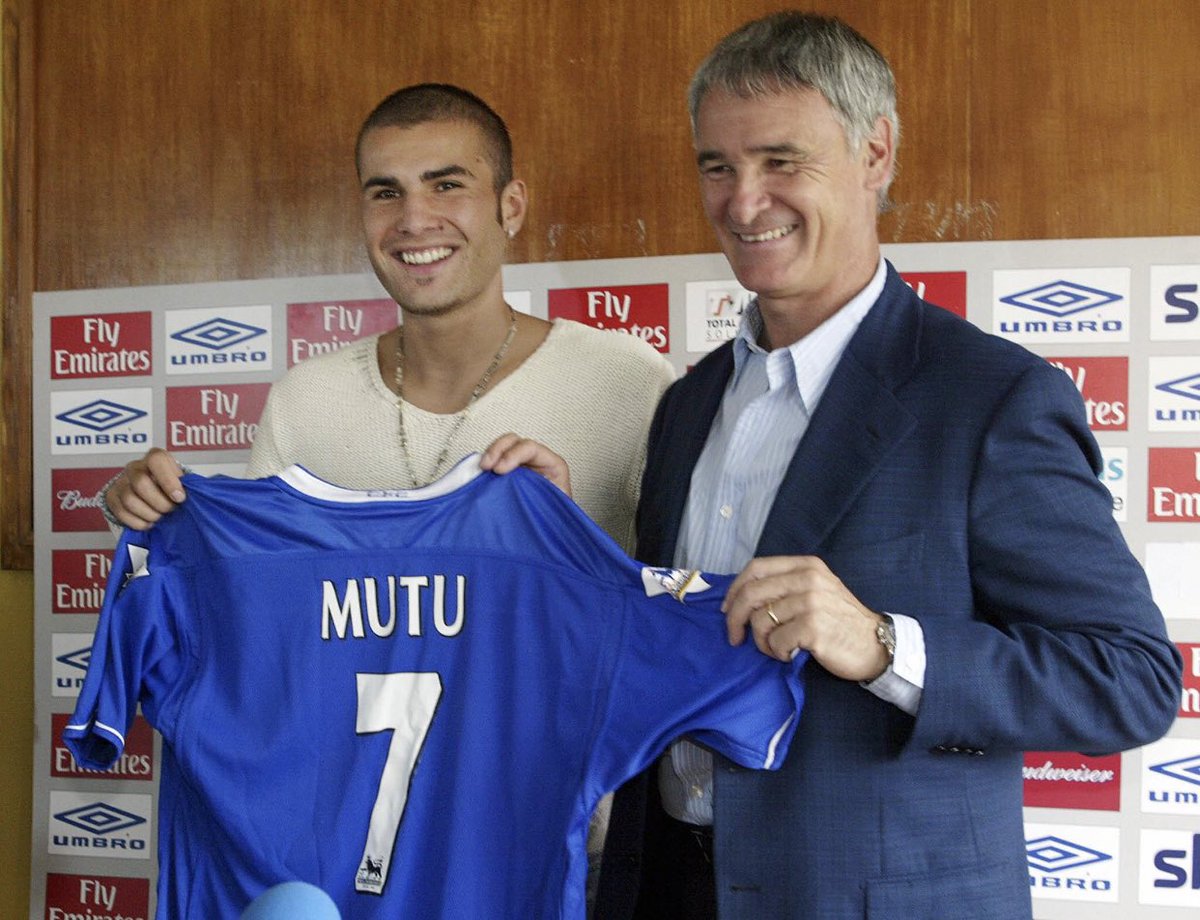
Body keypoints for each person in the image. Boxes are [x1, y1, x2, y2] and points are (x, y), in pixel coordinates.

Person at [595, 12, 1182, 920]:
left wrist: (882, 645)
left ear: (876, 153)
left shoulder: (991, 397)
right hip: (669, 888)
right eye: (718, 166)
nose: (743, 203)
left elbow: (1130, 681)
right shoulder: (687, 403)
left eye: (781, 161)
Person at [103, 82, 677, 905]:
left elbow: (673, 616)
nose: (414, 219)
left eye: (447, 184)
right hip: (346, 864)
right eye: (386, 192)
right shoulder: (305, 400)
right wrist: (150, 520)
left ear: (511, 206)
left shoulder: (630, 385)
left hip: (555, 859)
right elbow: (259, 638)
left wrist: (563, 550)